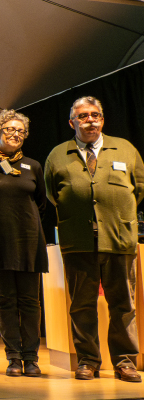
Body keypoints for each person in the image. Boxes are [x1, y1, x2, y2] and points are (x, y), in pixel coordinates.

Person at [44, 97, 143, 382]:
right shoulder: (58, 154)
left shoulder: (125, 148)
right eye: (84, 116)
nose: (90, 121)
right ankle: (87, 361)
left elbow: (139, 188)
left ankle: (125, 362)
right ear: (72, 122)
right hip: (78, 240)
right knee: (81, 305)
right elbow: (53, 194)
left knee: (123, 304)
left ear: (103, 119)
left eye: (96, 115)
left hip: (119, 239)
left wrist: (118, 214)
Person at [0, 109, 47, 378]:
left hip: (29, 242)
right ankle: (13, 358)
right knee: (4, 302)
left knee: (30, 302)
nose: (15, 134)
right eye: (9, 130)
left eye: (20, 131)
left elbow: (41, 202)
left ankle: (32, 358)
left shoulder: (34, 166)